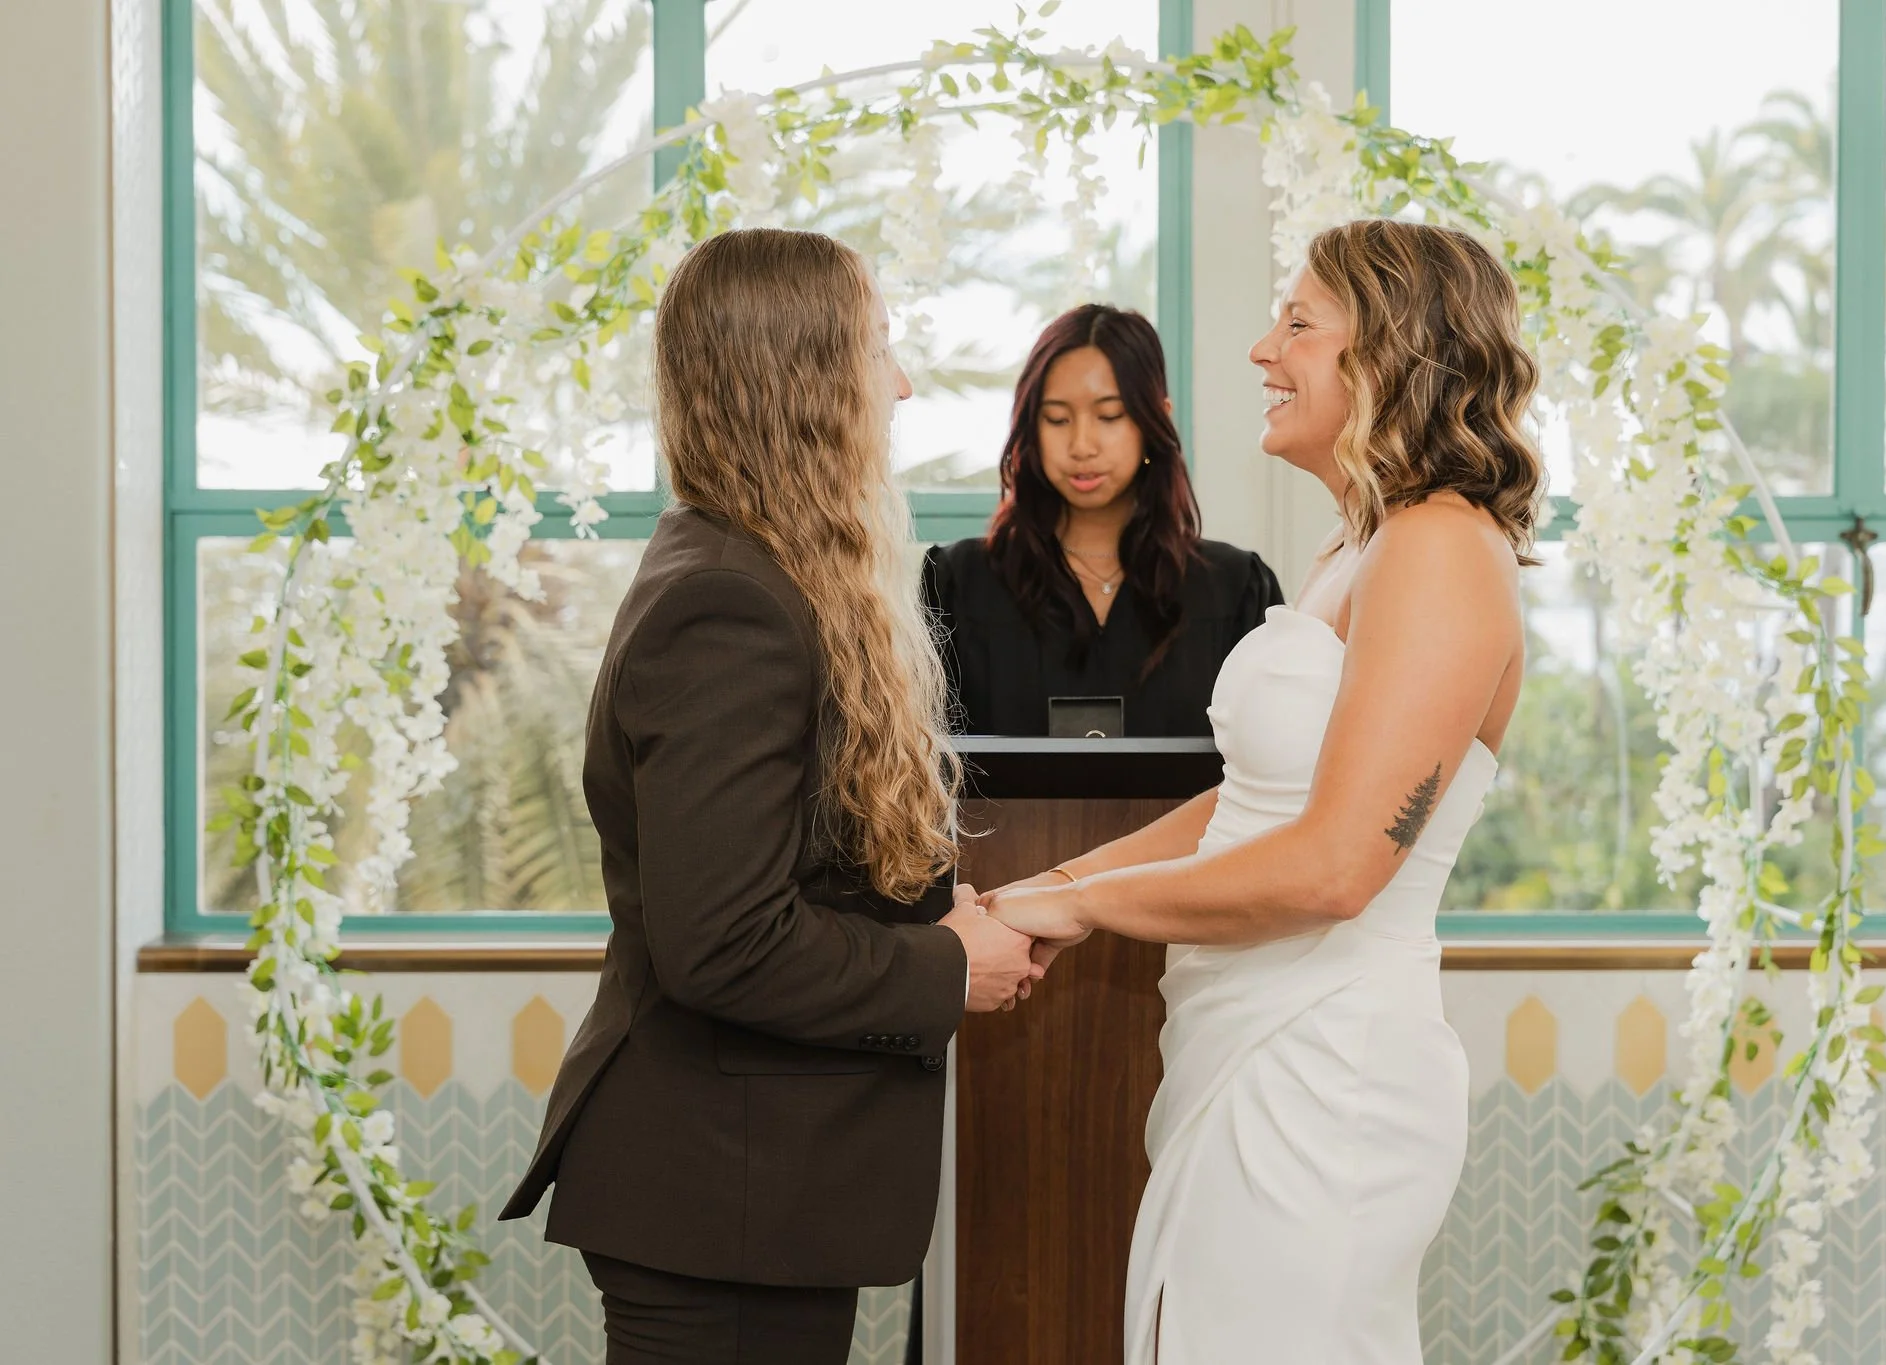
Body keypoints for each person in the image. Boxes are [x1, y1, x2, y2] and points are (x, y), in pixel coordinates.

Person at [986, 219, 1544, 1364]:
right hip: (1243, 1048)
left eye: (1297, 324)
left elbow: (1338, 867)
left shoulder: (1439, 548)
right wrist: (1045, 883)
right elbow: (1249, 802)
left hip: (1325, 1075)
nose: (1258, 350)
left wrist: (1081, 912)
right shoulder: (1363, 548)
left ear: (1393, 355)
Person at [500, 228, 1040, 1365]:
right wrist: (948, 967)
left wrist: (927, 914)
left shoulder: (744, 572)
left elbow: (773, 869)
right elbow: (725, 942)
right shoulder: (727, 610)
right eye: (876, 350)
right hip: (717, 1195)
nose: (896, 385)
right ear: (800, 382)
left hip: (750, 1193)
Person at [921, 304, 1283, 737]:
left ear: (1155, 421)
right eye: (1056, 419)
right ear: (1030, 429)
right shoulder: (958, 584)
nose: (1081, 445)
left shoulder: (1237, 588)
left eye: (1109, 416)